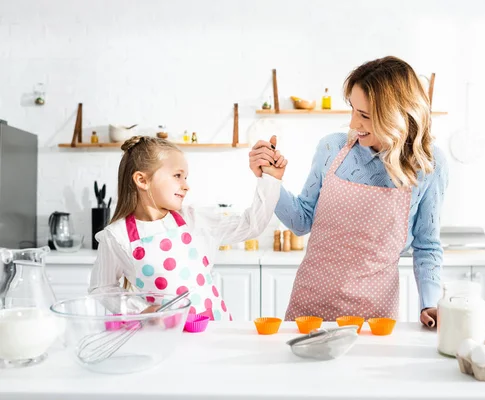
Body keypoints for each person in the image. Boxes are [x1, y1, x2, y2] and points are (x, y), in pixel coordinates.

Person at [251, 56, 449, 328]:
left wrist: (431, 302)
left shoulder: (428, 165)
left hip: (374, 317)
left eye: (365, 115)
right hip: (310, 307)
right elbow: (301, 221)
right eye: (353, 110)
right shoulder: (332, 148)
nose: (353, 124)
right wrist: (271, 181)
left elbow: (427, 246)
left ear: (397, 116)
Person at [89, 135, 287, 320]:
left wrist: (271, 179)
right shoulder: (117, 236)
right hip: (167, 338)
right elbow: (102, 288)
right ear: (142, 180)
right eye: (177, 176)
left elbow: (251, 225)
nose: (186, 185)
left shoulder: (194, 220)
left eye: (186, 177)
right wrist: (141, 310)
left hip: (214, 330)